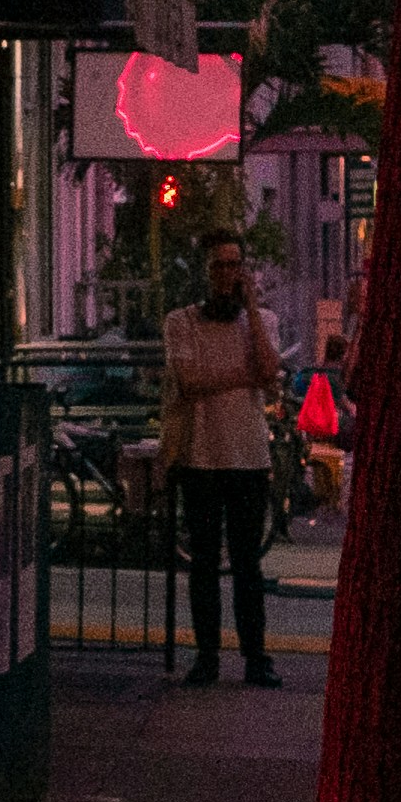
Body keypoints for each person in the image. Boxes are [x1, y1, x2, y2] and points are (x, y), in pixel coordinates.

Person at [160, 230, 283, 686]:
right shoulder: (182, 322)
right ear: (205, 273)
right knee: (205, 562)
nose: (227, 275)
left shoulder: (261, 320)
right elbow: (189, 381)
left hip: (249, 456)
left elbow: (269, 372)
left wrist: (250, 307)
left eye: (234, 265)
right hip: (200, 456)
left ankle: (256, 657)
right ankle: (207, 656)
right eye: (219, 266)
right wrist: (242, 375)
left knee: (248, 563)